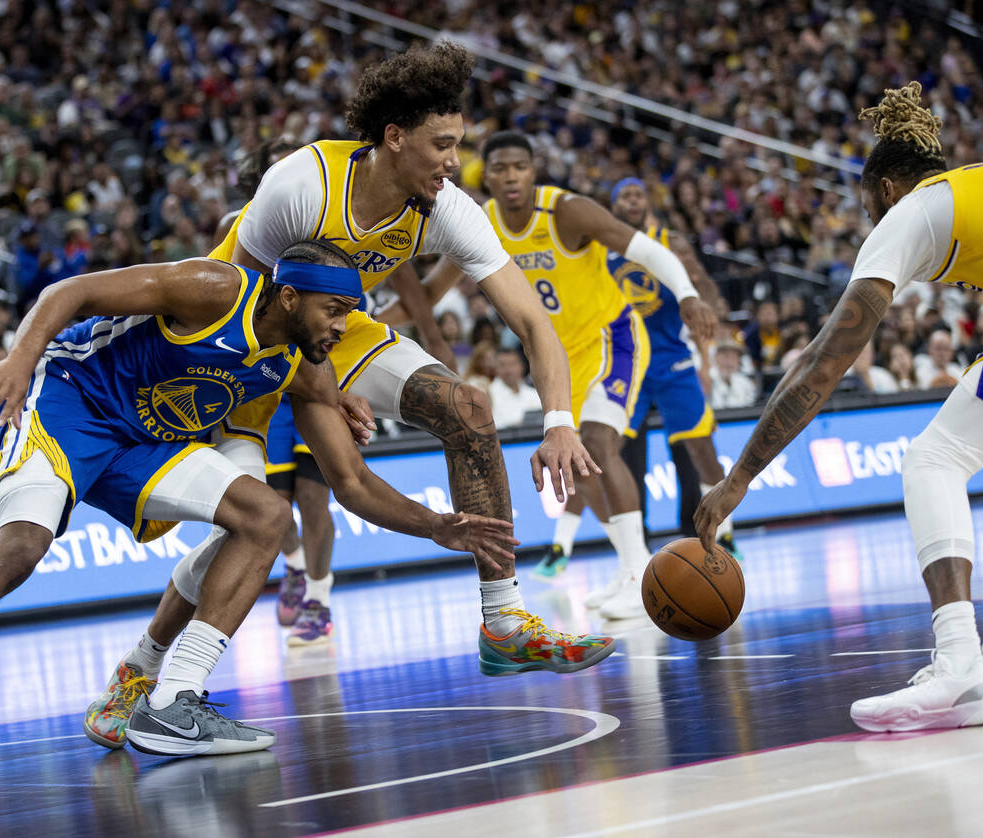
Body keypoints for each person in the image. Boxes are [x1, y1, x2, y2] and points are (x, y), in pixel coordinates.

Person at [0, 241, 524, 804]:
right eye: (335, 309)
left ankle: (174, 697)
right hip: (67, 405)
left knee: (264, 515)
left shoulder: (304, 368)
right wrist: (19, 361)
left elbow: (351, 481)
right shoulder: (213, 289)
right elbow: (72, 291)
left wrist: (437, 525)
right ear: (290, 296)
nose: (345, 326)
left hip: (142, 443)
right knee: (22, 548)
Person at [85, 42, 608, 743]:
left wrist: (559, 420)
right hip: (240, 345)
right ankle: (143, 672)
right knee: (247, 524)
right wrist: (321, 388)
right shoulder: (301, 184)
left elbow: (530, 321)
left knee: (468, 408)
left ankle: (505, 620)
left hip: (331, 332)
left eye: (459, 143)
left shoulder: (444, 206)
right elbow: (244, 314)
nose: (457, 161)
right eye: (442, 144)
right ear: (394, 138)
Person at [696, 82, 983, 733]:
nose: (868, 219)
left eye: (866, 205)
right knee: (939, 455)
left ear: (887, 189)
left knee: (935, 459)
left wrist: (738, 478)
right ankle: (968, 677)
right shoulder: (982, 189)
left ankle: (961, 666)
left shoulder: (910, 215)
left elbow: (821, 364)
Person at [476, 131, 714, 619]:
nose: (511, 176)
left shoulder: (566, 211)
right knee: (578, 465)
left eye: (519, 166)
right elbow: (438, 281)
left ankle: (638, 574)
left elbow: (645, 250)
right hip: (558, 355)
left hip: (613, 337)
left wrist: (687, 292)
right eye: (499, 169)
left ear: (533, 168)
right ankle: (631, 565)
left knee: (600, 444)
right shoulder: (483, 222)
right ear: (487, 175)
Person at [536, 176, 738, 572]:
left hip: (672, 360)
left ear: (647, 201)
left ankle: (725, 533)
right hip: (622, 360)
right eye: (622, 195)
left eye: (637, 194)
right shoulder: (597, 244)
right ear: (613, 205)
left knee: (699, 448)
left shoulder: (670, 243)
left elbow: (701, 289)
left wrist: (709, 352)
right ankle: (624, 548)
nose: (631, 200)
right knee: (602, 450)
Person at [266, 393, 339, 645]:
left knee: (312, 499)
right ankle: (296, 564)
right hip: (269, 398)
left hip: (316, 392)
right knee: (272, 509)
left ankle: (318, 602)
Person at [488, 347, 541, 429]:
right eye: (502, 365)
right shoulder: (488, 394)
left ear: (522, 366)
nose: (509, 370)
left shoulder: (535, 393)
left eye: (513, 364)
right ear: (495, 368)